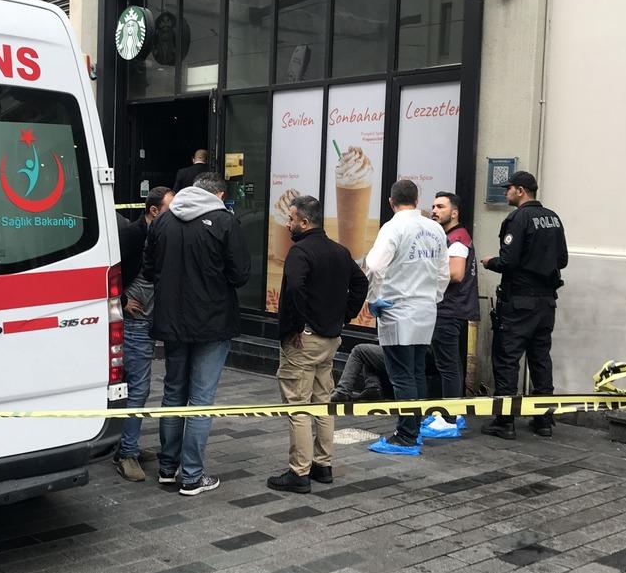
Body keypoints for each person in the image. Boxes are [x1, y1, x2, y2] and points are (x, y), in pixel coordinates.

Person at [142, 172, 250, 495]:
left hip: (172, 321)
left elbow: (148, 268)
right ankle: (191, 475)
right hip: (212, 322)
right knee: (201, 399)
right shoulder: (224, 222)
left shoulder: (163, 221)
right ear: (217, 194)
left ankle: (167, 467)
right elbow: (241, 273)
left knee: (173, 392)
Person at [268, 195, 368, 493]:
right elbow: (361, 282)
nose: (288, 224)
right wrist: (344, 315)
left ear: (305, 222)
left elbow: (295, 288)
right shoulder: (340, 251)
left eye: (291, 219)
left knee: (298, 406)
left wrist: (297, 324)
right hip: (329, 339)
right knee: (322, 402)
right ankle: (323, 465)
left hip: (304, 340)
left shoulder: (299, 252)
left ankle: (298, 472)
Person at [363, 179, 449, 455]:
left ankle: (407, 435)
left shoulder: (394, 227)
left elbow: (375, 265)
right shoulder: (435, 228)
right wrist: (432, 297)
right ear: (417, 198)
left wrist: (373, 299)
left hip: (397, 309)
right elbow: (443, 273)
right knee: (416, 372)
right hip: (426, 310)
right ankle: (415, 424)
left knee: (401, 375)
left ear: (391, 202)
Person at [480, 171, 568, 440]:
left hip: (519, 301)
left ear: (520, 190)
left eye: (509, 189)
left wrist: (489, 261)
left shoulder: (518, 218)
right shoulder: (553, 217)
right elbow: (562, 260)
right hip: (546, 302)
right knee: (540, 358)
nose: (506, 193)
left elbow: (508, 261)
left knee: (507, 358)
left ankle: (504, 421)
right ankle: (543, 419)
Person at [114, 186, 174, 481]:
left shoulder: (161, 235)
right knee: (138, 387)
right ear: (153, 211)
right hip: (135, 322)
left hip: (149, 321)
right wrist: (123, 301)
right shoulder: (133, 236)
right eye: (169, 208)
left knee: (136, 386)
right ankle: (126, 452)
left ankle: (127, 445)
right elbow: (109, 274)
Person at [422, 192, 480, 437]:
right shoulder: (450, 236)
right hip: (451, 309)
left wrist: (424, 273)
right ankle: (452, 413)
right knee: (450, 364)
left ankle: (448, 418)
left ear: (454, 212)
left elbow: (455, 274)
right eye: (434, 206)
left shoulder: (456, 239)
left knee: (448, 366)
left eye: (441, 206)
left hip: (448, 309)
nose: (435, 210)